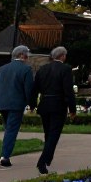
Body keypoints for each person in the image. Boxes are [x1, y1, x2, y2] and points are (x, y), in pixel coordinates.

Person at [31, 46, 77, 175]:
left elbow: (35, 89)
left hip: (45, 104)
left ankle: (47, 158)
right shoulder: (66, 69)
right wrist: (72, 109)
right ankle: (42, 161)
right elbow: (68, 91)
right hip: (58, 104)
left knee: (48, 133)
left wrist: (33, 105)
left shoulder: (43, 69)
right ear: (62, 56)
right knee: (54, 135)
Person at [0, 45, 34, 169]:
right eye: (27, 54)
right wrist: (32, 104)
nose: (28, 57)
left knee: (8, 128)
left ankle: (5, 151)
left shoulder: (2, 69)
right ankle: (5, 156)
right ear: (22, 55)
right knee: (12, 130)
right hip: (16, 104)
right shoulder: (26, 69)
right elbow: (29, 89)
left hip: (1, 103)